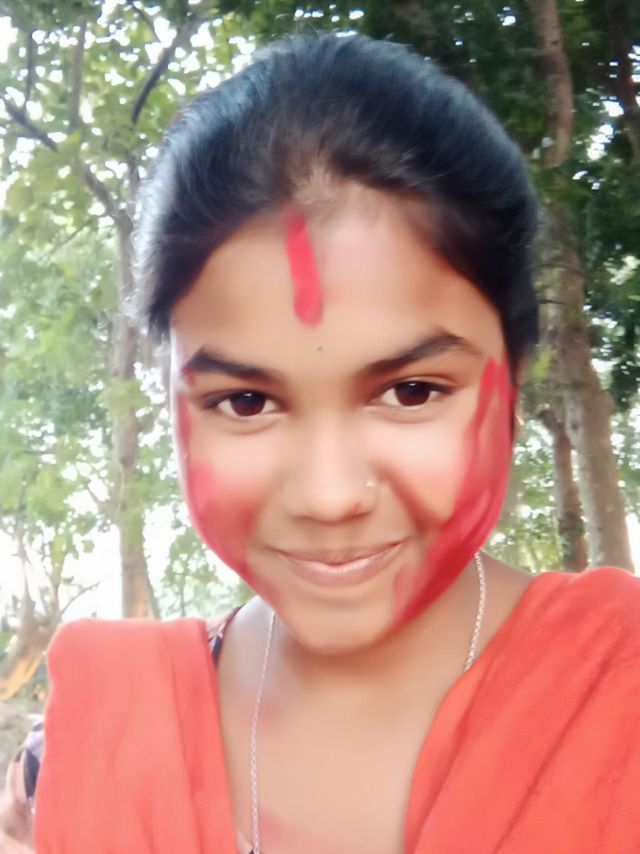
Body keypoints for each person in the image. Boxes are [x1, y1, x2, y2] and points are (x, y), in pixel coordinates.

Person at [2, 32, 640, 854]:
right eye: (246, 401)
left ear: (514, 379)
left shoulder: (620, 691)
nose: (328, 496)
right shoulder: (93, 746)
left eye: (412, 391)